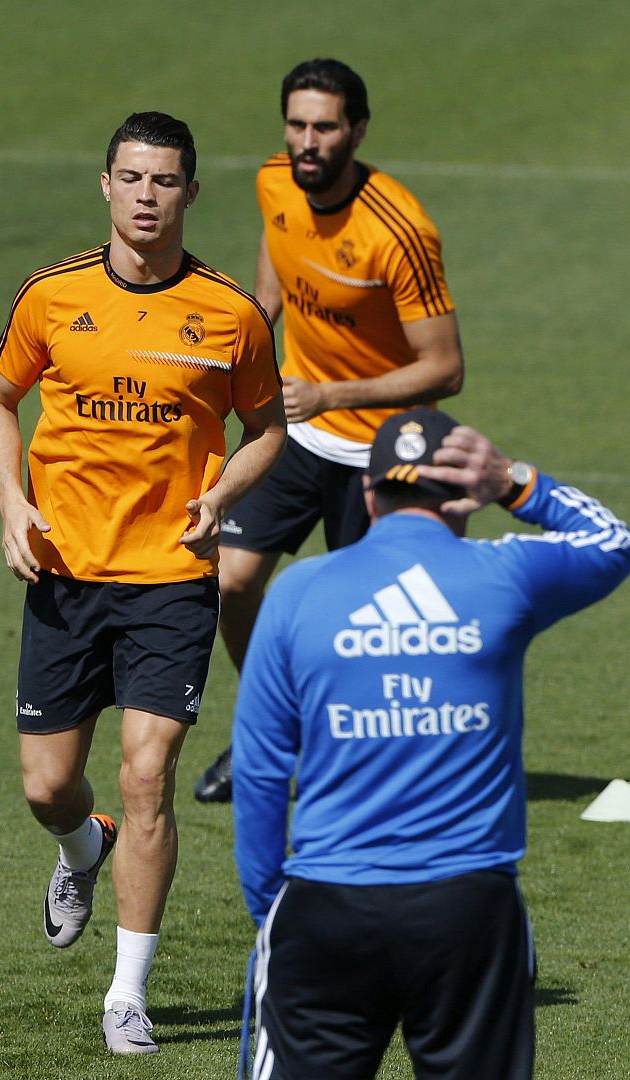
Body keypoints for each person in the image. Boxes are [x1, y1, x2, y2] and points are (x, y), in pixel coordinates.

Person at [0, 111, 286, 1055]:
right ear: (104, 185)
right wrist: (10, 503)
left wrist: (223, 490)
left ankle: (127, 993)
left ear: (191, 192)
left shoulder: (230, 314)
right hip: (65, 575)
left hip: (169, 581)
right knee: (46, 786)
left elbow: (266, 428)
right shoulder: (50, 297)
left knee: (148, 775)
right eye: (132, 178)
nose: (148, 196)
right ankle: (83, 846)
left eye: (165, 181)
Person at [232, 408, 630, 1078]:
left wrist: (272, 904)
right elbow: (614, 542)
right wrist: (516, 481)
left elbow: (261, 769)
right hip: (470, 908)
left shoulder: (297, 591)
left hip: (326, 904)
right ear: (463, 494)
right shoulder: (504, 575)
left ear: (367, 495)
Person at [193, 58, 465, 804]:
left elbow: (444, 367)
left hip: (385, 451)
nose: (307, 142)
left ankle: (384, 768)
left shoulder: (400, 232)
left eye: (325, 127)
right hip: (299, 432)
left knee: (379, 624)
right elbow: (278, 268)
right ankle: (275, 733)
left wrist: (332, 392)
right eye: (298, 125)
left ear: (358, 130)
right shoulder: (274, 180)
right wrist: (245, 344)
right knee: (232, 581)